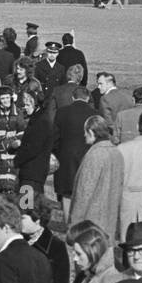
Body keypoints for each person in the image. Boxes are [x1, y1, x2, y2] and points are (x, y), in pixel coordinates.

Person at [68, 115, 125, 244]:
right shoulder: (116, 152)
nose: (84, 135)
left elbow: (84, 192)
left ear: (92, 132)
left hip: (90, 221)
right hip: (109, 219)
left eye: (85, 132)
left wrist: (74, 224)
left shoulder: (95, 155)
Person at [52, 86, 98, 215]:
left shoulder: (61, 112)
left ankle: (69, 225)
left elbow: (54, 137)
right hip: (89, 157)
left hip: (66, 158)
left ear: (72, 97)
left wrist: (55, 153)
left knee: (67, 194)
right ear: (88, 98)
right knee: (88, 192)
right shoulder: (96, 113)